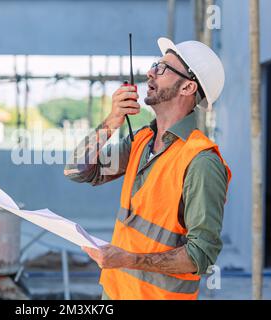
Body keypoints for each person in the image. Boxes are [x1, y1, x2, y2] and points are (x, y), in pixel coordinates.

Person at [64, 37, 232, 300]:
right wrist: (111, 121)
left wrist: (128, 259)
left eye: (162, 68)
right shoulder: (141, 140)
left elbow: (201, 255)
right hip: (115, 292)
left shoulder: (201, 161)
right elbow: (76, 171)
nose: (149, 72)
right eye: (155, 64)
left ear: (187, 86)